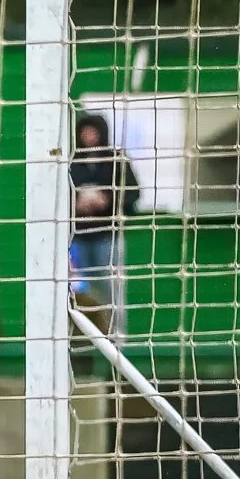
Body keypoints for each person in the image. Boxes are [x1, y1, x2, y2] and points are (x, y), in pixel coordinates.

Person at [68, 114, 136, 331]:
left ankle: (117, 341)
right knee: (79, 292)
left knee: (112, 291)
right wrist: (77, 202)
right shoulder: (71, 161)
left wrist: (106, 199)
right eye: (84, 131)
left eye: (93, 131)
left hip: (108, 236)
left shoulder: (116, 159)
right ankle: (82, 339)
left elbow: (133, 194)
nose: (88, 136)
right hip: (77, 238)